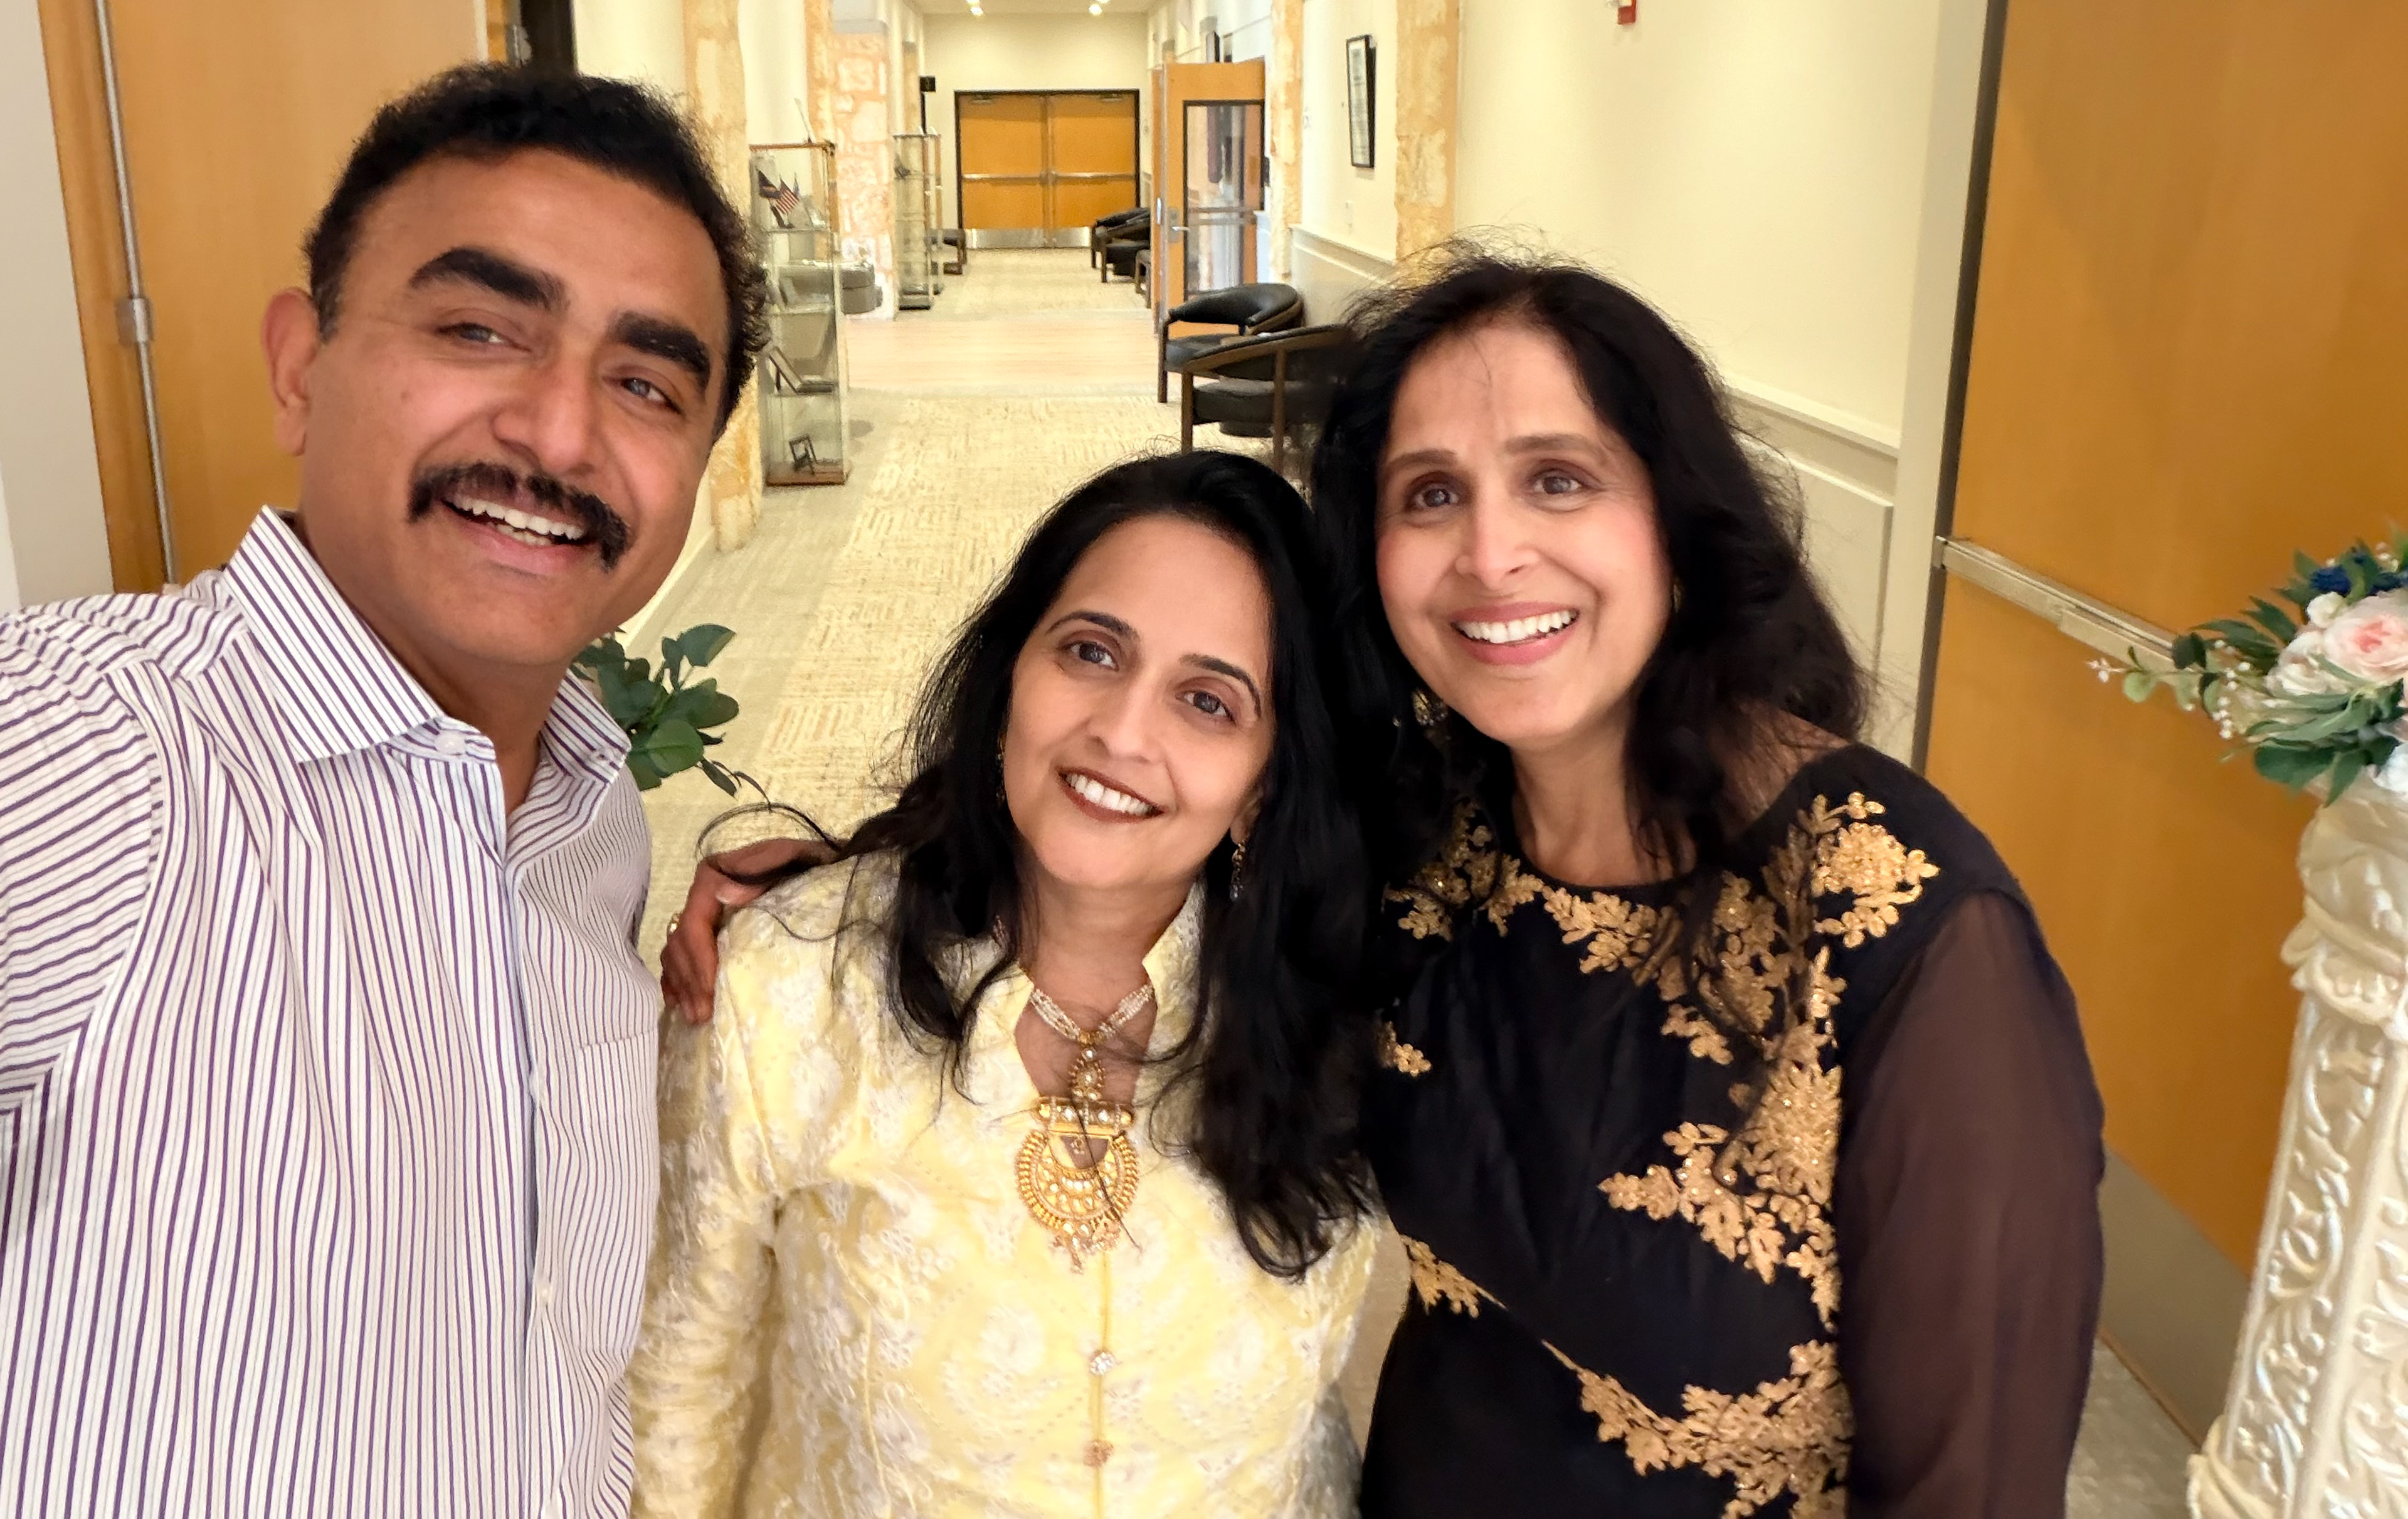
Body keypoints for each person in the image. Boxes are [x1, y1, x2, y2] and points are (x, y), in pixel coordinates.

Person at [0, 65, 767, 1514]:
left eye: (646, 385)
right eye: (480, 330)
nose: (559, 435)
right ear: (301, 365)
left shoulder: (589, 819)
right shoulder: (85, 751)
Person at [1309, 248, 2106, 1518]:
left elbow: (1975, 1486)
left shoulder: (1902, 931)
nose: (1491, 553)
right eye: (1431, 494)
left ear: (1676, 524)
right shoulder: (1431, 843)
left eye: (1559, 480)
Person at [629, 452, 1383, 1518]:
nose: (1123, 732)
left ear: (1268, 782)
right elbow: (679, 1397)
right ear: (1008, 679)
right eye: (1091, 652)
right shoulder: (783, 994)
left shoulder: (1349, 1010)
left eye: (1209, 701)